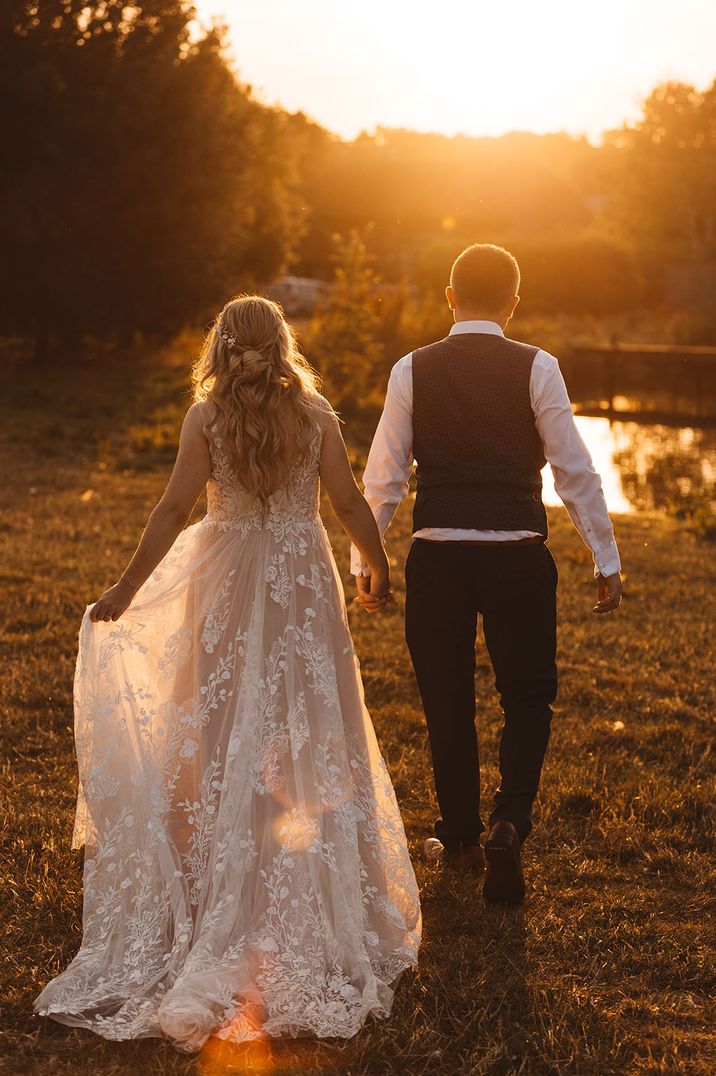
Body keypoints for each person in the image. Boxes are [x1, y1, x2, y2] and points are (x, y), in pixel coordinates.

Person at [34, 295, 421, 1053]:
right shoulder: (314, 414)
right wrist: (377, 565)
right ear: (281, 344)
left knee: (214, 724)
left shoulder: (205, 418)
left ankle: (218, 871)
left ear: (220, 346)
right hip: (302, 584)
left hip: (226, 576)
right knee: (308, 721)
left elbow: (176, 508)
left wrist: (126, 587)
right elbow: (345, 501)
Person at [351, 243, 623, 906]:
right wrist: (605, 557)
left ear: (449, 298)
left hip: (438, 553)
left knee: (447, 701)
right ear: (513, 303)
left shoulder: (412, 368)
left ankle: (461, 834)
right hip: (518, 553)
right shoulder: (539, 367)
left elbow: (383, 477)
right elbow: (575, 470)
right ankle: (510, 823)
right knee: (527, 696)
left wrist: (367, 561)